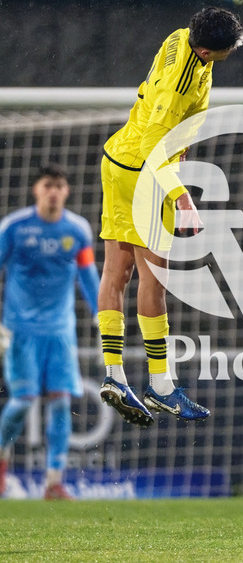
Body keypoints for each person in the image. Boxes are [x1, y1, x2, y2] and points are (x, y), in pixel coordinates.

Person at [98, 6, 243, 427]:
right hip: (143, 174)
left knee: (116, 272)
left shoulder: (181, 37)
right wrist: (181, 197)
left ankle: (114, 375)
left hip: (118, 160)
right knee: (154, 279)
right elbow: (153, 144)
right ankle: (160, 385)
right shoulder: (179, 86)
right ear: (209, 50)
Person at [0, 163, 100, 499]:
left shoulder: (78, 230)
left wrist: (102, 314)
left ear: (66, 191)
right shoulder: (14, 228)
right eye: (48, 185)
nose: (54, 192)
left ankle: (54, 482)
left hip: (60, 331)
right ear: (36, 190)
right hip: (20, 331)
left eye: (59, 186)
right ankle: (1, 462)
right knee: (22, 402)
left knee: (61, 401)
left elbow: (88, 275)